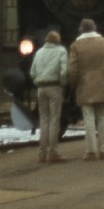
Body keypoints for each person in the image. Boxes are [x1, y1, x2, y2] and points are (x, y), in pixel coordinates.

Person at [68, 18, 104, 161]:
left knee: (89, 118)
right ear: (94, 28)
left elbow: (72, 69)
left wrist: (74, 84)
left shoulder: (76, 46)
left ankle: (91, 151)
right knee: (103, 118)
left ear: (81, 30)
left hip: (84, 86)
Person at [30, 30, 69, 163]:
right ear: (57, 40)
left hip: (41, 88)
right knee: (54, 120)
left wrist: (37, 82)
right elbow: (64, 71)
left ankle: (41, 153)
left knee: (44, 120)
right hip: (54, 87)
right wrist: (63, 83)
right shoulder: (61, 51)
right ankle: (53, 152)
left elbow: (32, 72)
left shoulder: (39, 52)